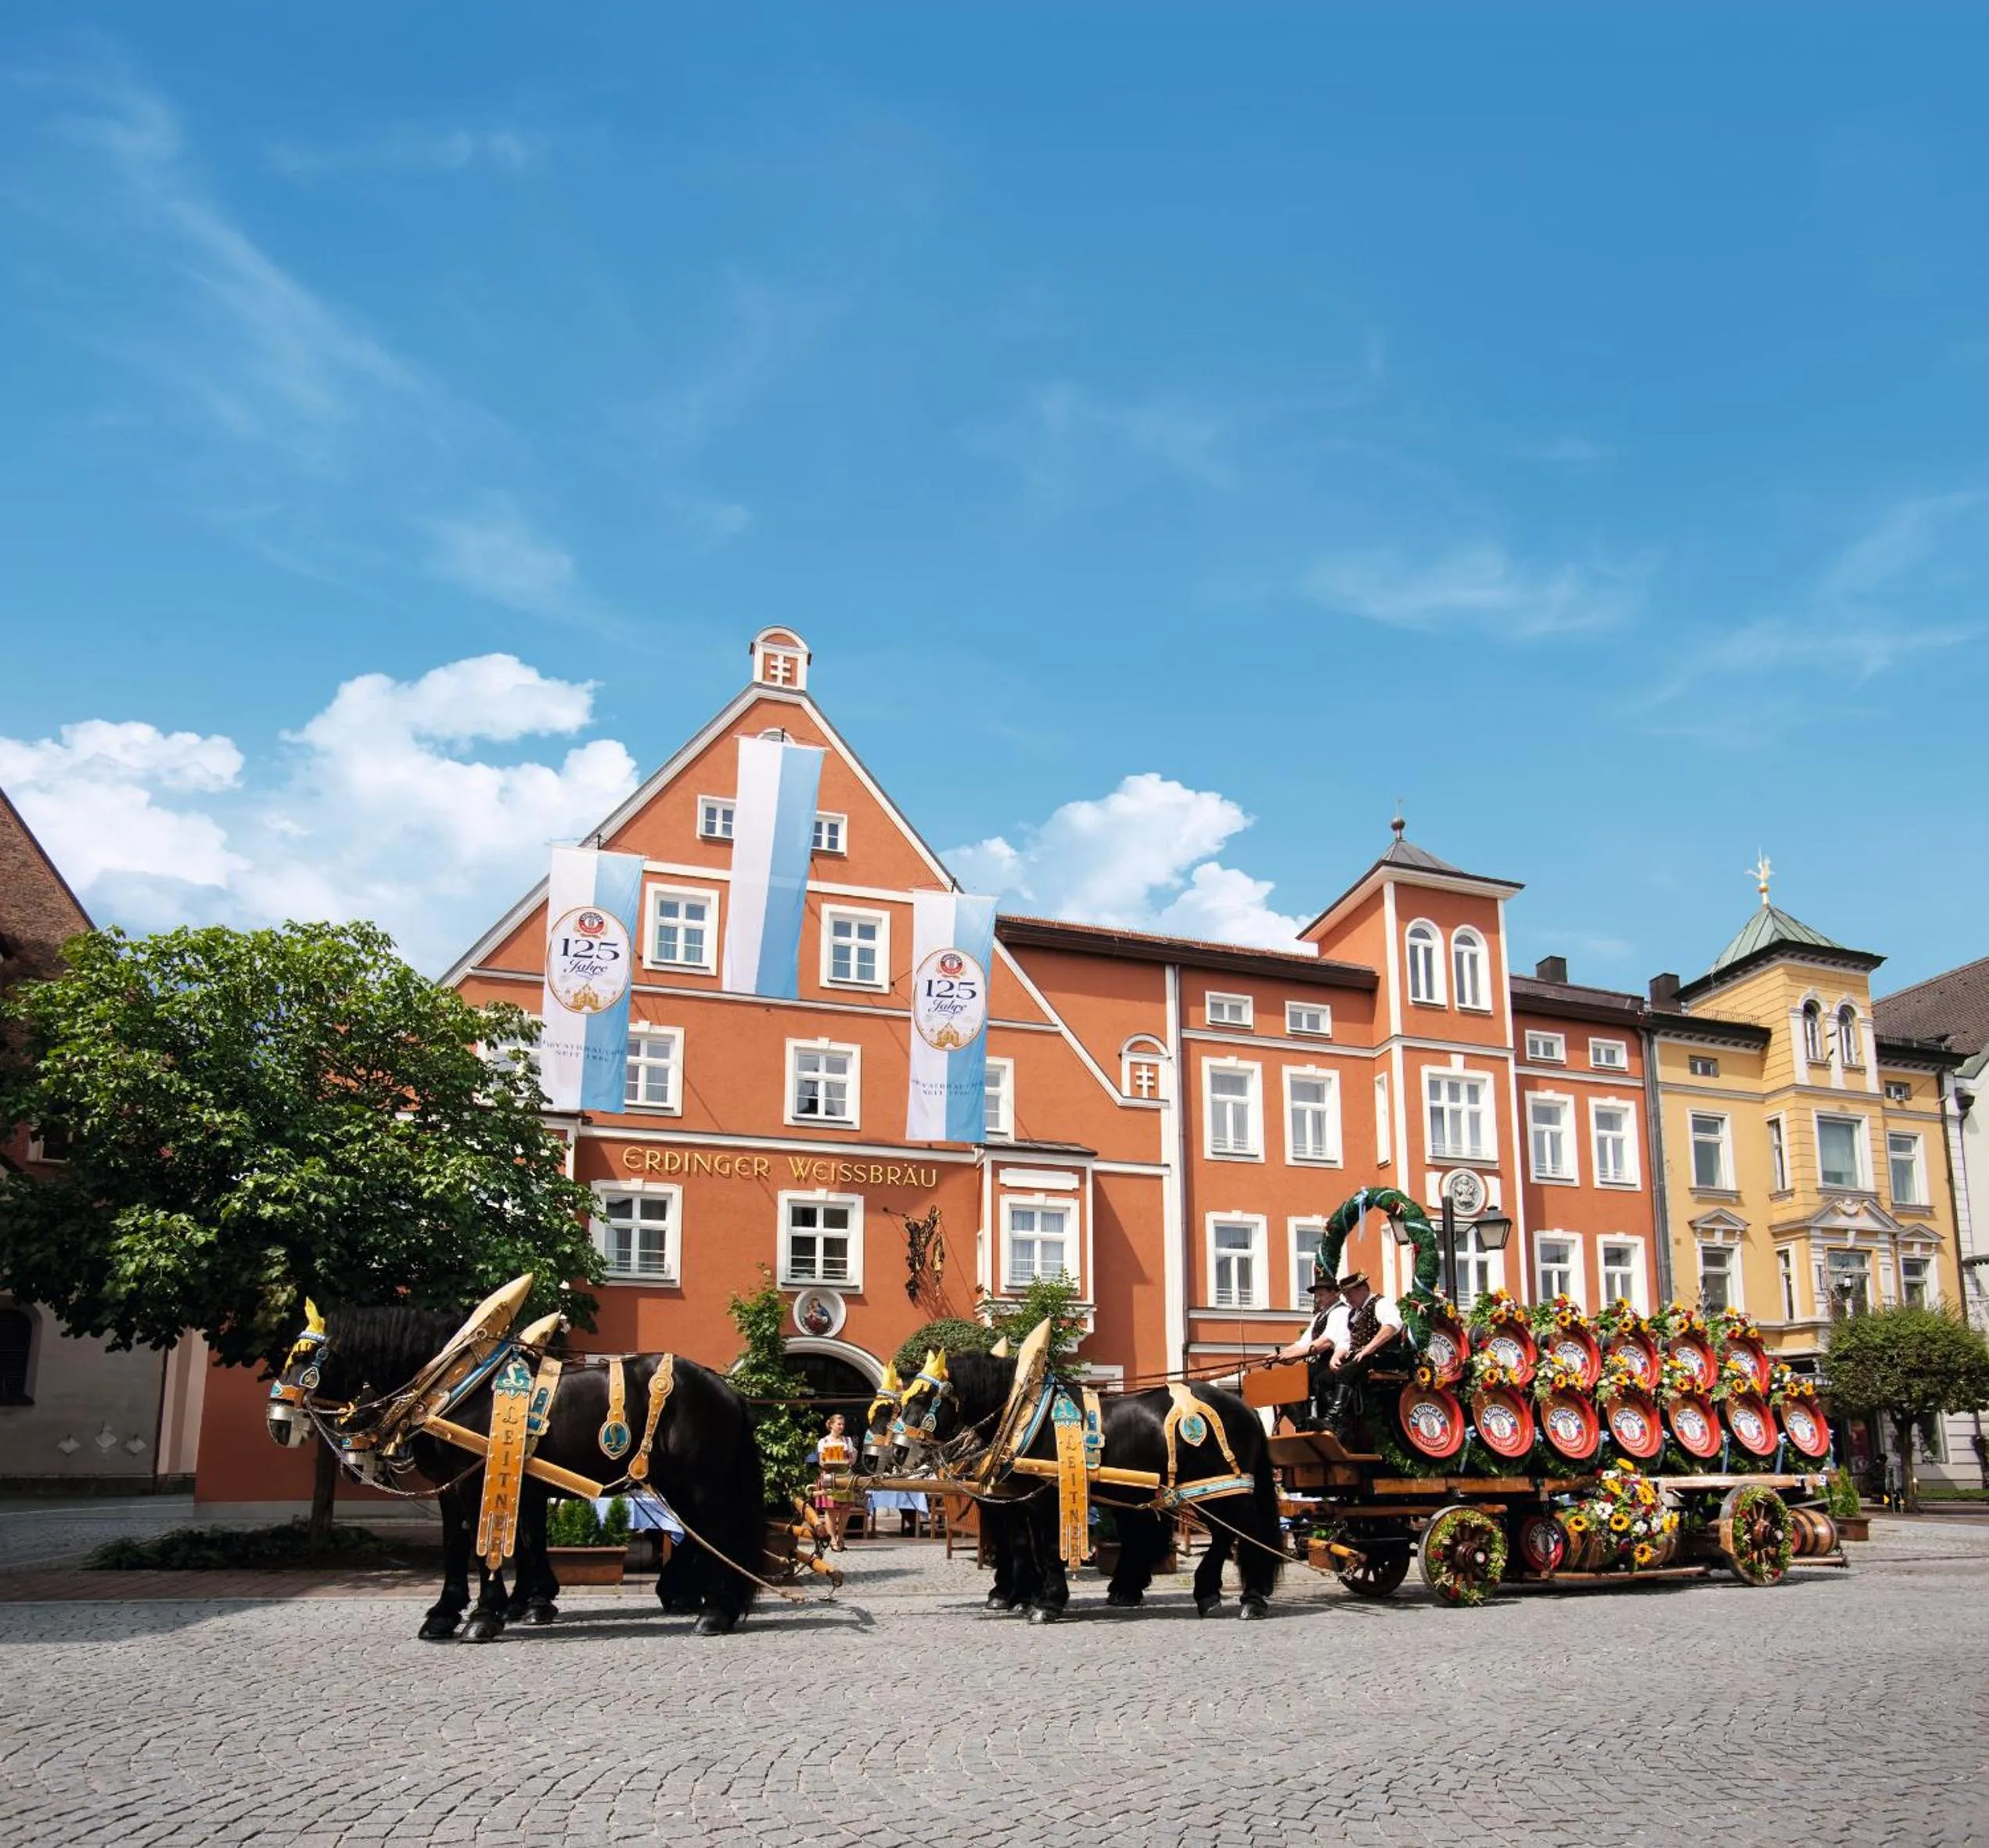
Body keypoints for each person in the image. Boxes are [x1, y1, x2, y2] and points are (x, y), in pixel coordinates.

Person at [1322, 1272, 1405, 1439]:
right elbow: (1347, 1340)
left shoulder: (1381, 1303)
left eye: (1349, 1294)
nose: (1347, 1299)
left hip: (1384, 1355)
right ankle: (1334, 1421)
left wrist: (1369, 1348)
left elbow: (1392, 1326)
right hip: (1361, 1357)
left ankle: (1334, 1421)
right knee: (1323, 1378)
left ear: (1362, 1289)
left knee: (1345, 1372)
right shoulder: (1353, 1313)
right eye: (1345, 1295)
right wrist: (1336, 1355)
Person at [1272, 1272, 1347, 1430]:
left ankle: (1326, 1422)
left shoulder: (1340, 1312)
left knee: (1314, 1379)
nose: (1318, 1299)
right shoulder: (1320, 1316)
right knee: (1281, 1385)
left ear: (1334, 1293)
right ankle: (1302, 1424)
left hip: (1334, 1361)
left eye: (1321, 1294)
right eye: (1316, 1295)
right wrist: (1279, 1356)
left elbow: (1325, 1342)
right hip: (1319, 1361)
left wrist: (1294, 1355)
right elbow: (1303, 1343)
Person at [812, 1413, 858, 1551]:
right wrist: (827, 1463)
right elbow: (821, 1461)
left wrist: (850, 1460)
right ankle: (832, 1539)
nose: (841, 1427)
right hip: (829, 1477)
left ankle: (841, 1537)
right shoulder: (824, 1442)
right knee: (831, 1510)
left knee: (846, 1509)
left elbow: (852, 1458)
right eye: (839, 1424)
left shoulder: (847, 1440)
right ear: (831, 1425)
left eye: (843, 1424)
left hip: (845, 1476)